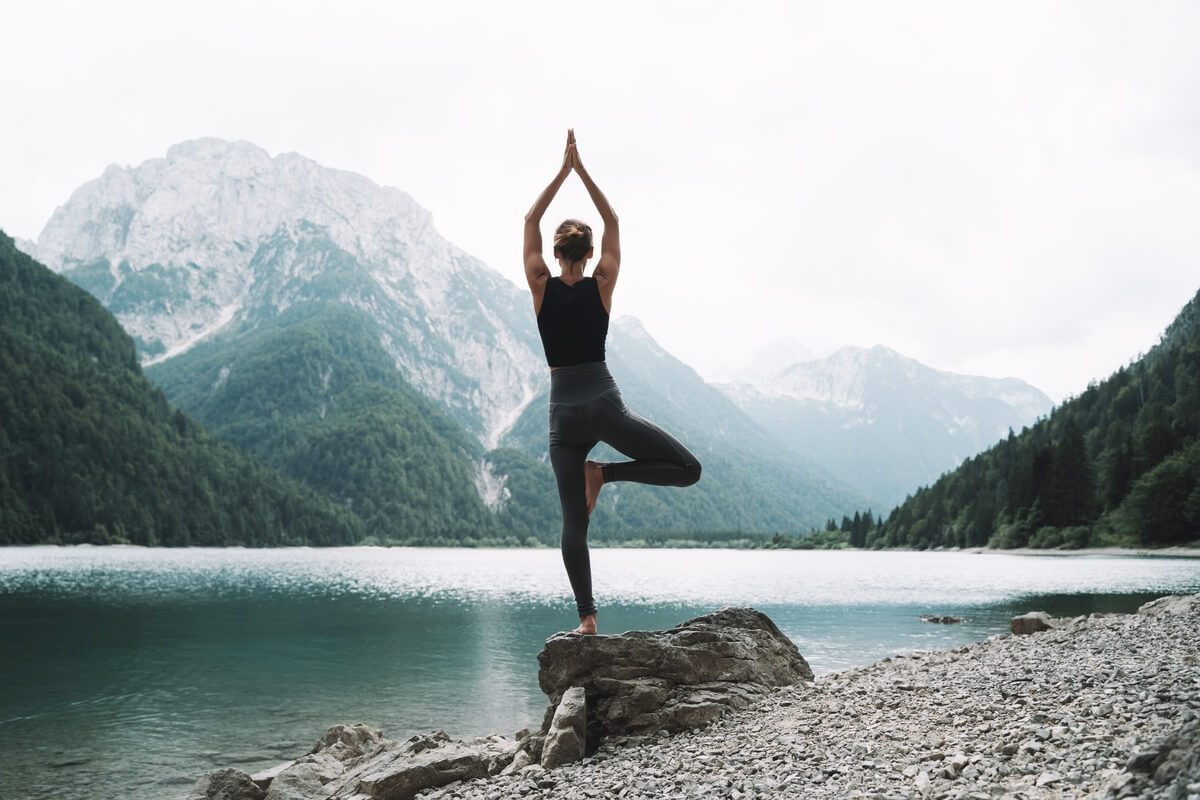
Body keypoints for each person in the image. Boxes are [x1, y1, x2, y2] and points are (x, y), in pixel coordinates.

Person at [523, 129, 702, 635]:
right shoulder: (603, 284)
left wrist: (561, 172)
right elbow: (614, 221)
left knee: (572, 523)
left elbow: (530, 220)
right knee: (688, 469)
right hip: (602, 402)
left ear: (556, 252)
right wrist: (582, 171)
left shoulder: (539, 285)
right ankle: (605, 473)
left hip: (562, 414)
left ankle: (587, 620)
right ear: (589, 254)